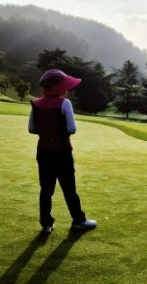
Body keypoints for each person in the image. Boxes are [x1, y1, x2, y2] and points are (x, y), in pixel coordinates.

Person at [28, 69, 97, 234]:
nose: (67, 90)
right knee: (69, 188)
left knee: (46, 189)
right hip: (62, 151)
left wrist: (47, 132)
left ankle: (46, 223)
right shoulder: (65, 103)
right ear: (58, 88)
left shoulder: (36, 104)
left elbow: (32, 129)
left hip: (43, 151)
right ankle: (78, 220)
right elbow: (72, 129)